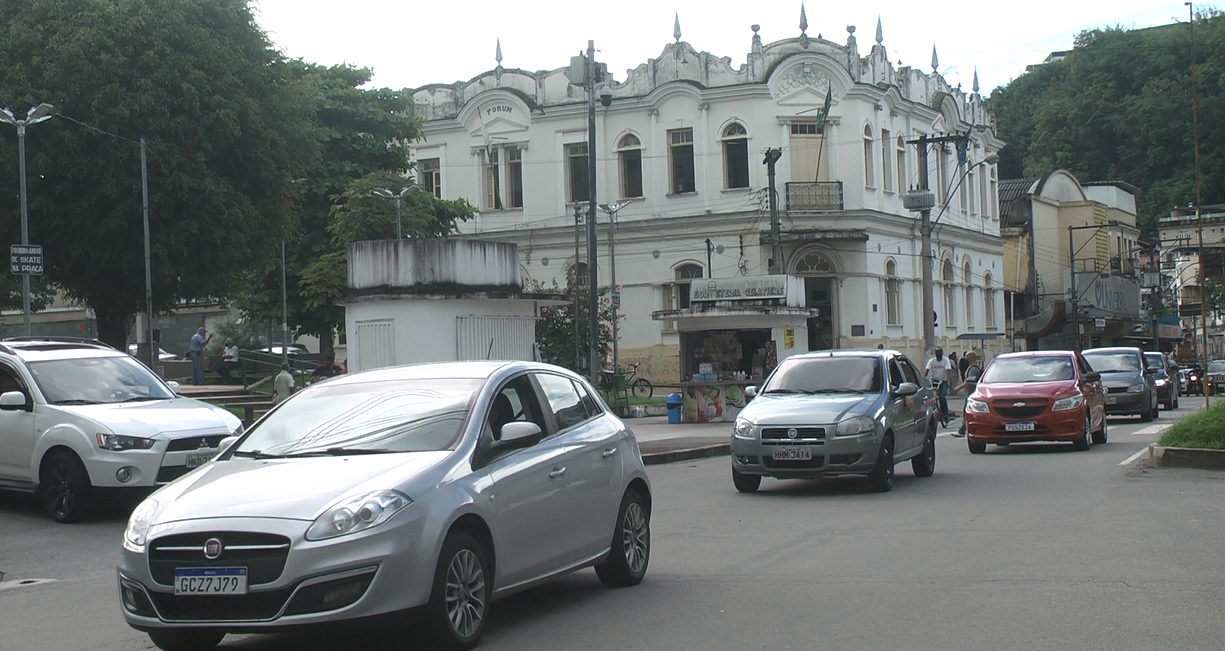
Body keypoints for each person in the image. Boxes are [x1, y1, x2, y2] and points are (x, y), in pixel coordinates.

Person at [952, 351, 982, 438]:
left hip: (971, 393)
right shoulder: (972, 367)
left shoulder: (973, 369)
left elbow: (968, 382)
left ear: (970, 358)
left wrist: (958, 388)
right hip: (970, 393)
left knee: (967, 411)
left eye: (966, 356)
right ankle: (963, 429)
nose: (965, 358)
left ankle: (963, 430)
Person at [925, 347, 955, 425]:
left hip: (943, 381)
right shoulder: (931, 361)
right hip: (934, 381)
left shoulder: (946, 360)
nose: (939, 356)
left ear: (942, 354)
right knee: (930, 398)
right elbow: (927, 370)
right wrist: (923, 378)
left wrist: (948, 379)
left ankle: (945, 415)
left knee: (942, 397)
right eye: (937, 354)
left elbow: (948, 370)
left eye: (940, 354)